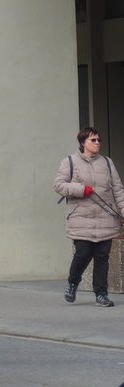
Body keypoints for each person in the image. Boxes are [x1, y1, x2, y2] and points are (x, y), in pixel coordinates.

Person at [53, 126, 124, 307]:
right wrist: (81, 189)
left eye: (99, 140)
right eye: (93, 140)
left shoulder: (107, 162)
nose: (97, 143)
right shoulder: (69, 162)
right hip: (81, 219)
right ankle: (72, 283)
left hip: (106, 218)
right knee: (83, 254)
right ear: (83, 142)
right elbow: (59, 185)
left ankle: (101, 294)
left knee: (102, 257)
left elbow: (118, 190)